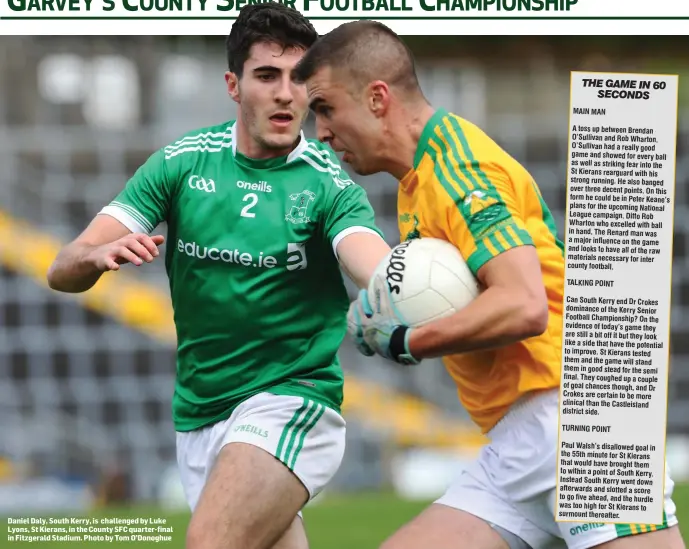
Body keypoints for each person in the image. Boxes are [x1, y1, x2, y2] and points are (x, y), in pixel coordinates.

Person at [292, 21, 684, 549]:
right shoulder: (419, 179)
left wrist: (407, 340)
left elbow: (524, 306)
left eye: (325, 108)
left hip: (580, 423)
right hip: (515, 443)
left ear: (377, 98)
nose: (320, 130)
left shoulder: (458, 168)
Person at [46, 6, 391, 549]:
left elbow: (368, 257)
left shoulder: (330, 186)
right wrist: (93, 257)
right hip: (201, 416)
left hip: (290, 401)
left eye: (298, 79)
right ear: (234, 85)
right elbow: (62, 268)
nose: (285, 94)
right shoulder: (181, 165)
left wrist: (395, 281)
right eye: (266, 76)